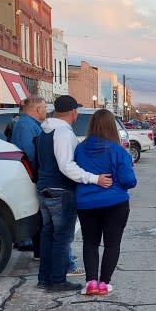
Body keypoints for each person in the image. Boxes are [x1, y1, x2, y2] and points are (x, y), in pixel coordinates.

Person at [35, 95, 113, 292]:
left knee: (48, 234)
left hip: (44, 187)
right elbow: (66, 166)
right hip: (60, 190)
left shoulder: (46, 130)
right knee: (62, 236)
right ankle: (58, 280)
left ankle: (44, 278)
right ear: (73, 112)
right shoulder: (63, 133)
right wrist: (94, 178)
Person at [74, 109, 137, 296]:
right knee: (112, 244)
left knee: (90, 243)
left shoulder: (79, 149)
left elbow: (75, 174)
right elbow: (128, 181)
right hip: (115, 203)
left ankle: (91, 282)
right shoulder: (118, 151)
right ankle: (104, 283)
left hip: (86, 203)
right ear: (112, 127)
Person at [10, 96, 46, 260]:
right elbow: (31, 155)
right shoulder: (26, 126)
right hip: (30, 177)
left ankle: (39, 251)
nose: (46, 111)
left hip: (31, 177)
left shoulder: (28, 124)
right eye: (44, 108)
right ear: (38, 109)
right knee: (38, 216)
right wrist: (40, 173)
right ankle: (40, 251)